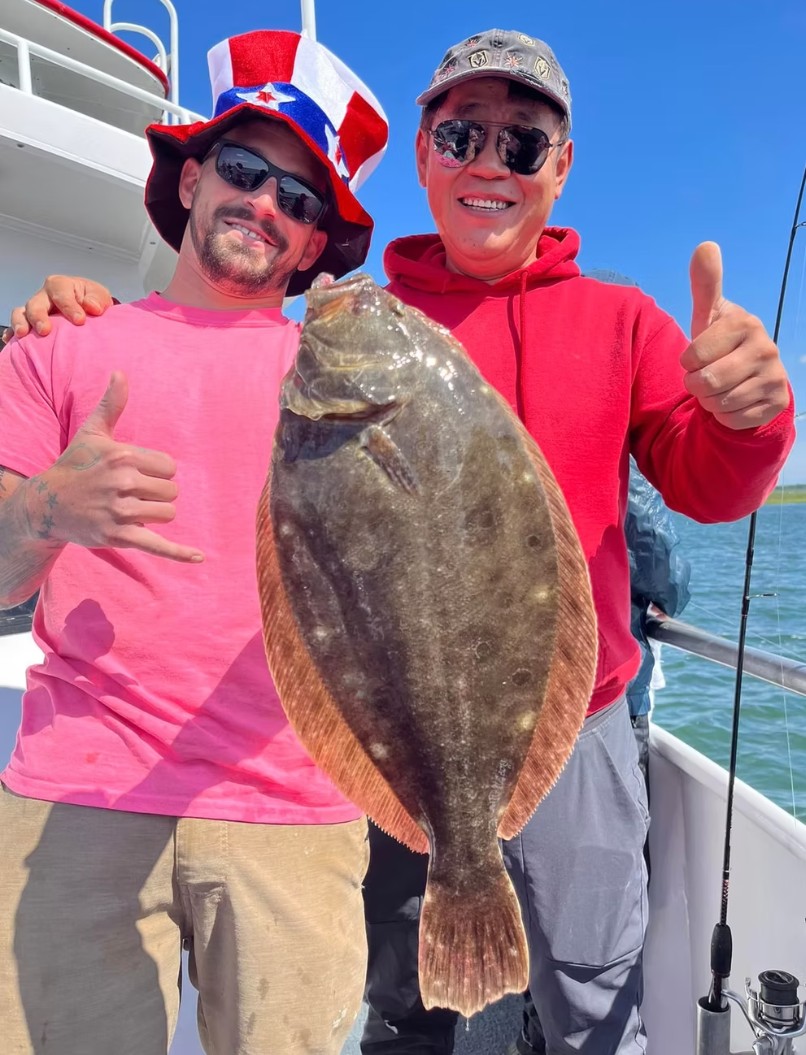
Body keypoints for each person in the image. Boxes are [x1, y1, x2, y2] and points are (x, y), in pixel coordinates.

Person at [9, 27, 795, 1055]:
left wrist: (749, 417)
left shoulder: (621, 317)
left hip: (576, 711)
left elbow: (706, 481)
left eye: (521, 145)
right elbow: (214, 349)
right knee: (399, 987)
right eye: (462, 133)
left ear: (559, 168)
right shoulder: (352, 309)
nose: (487, 163)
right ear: (426, 152)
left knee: (595, 988)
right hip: (385, 706)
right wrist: (65, 323)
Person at [0, 29, 388, 1055]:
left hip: (296, 806)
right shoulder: (60, 342)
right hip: (76, 792)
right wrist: (46, 509)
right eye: (245, 169)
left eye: (299, 201)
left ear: (313, 246)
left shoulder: (352, 380)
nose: (265, 204)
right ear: (189, 177)